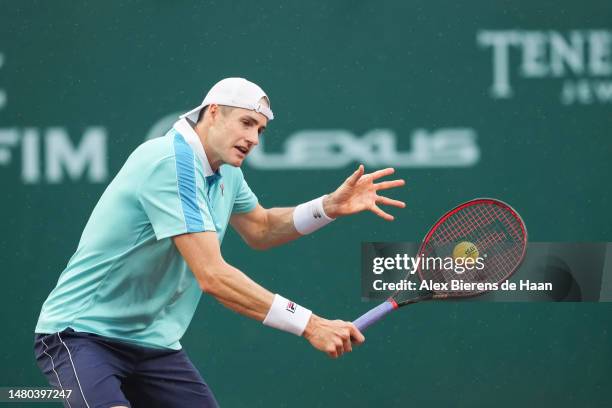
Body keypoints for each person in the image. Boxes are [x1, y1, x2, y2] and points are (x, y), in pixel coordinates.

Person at [34, 77, 406, 407]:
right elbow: (212, 275)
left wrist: (328, 207)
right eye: (246, 123)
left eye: (260, 130)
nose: (253, 139)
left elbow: (260, 228)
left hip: (155, 346)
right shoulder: (170, 162)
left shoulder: (223, 169)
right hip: (82, 335)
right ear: (212, 113)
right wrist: (310, 324)